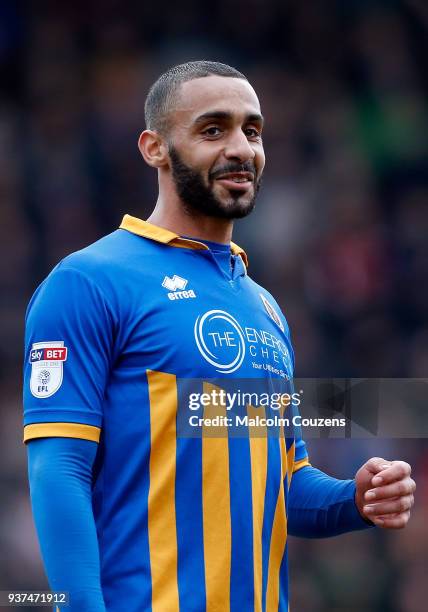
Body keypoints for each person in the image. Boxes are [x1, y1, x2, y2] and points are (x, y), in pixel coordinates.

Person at [24, 61, 416, 612]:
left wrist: (355, 499)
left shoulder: (265, 308)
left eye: (252, 131)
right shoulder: (88, 281)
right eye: (213, 130)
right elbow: (58, 467)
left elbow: (283, 485)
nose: (241, 148)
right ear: (154, 148)